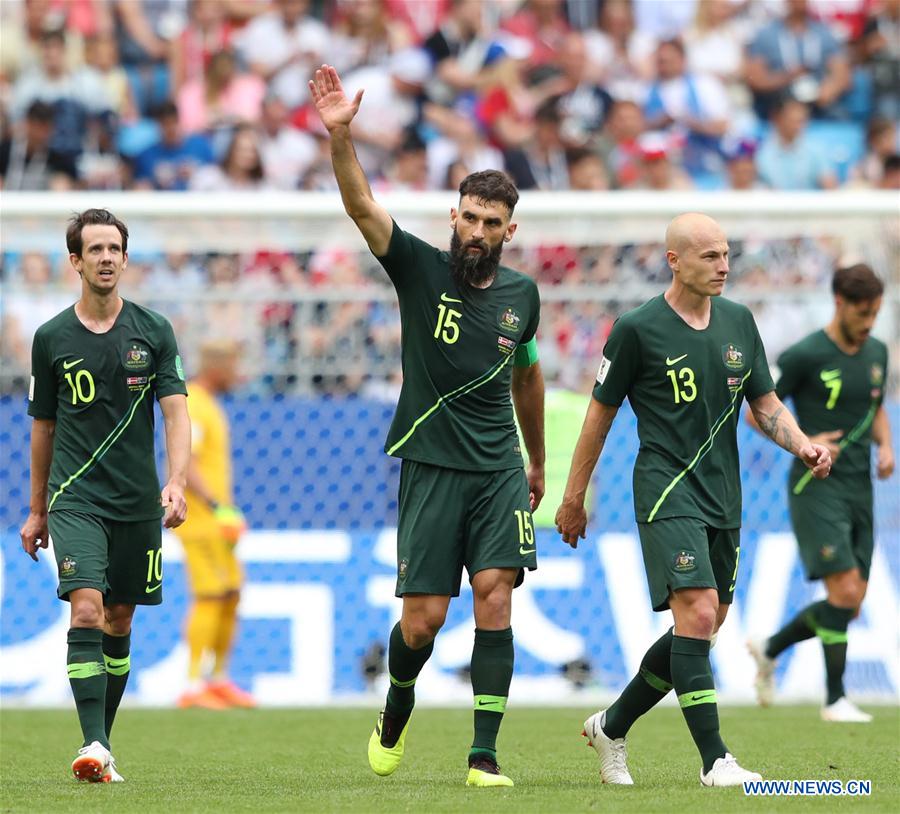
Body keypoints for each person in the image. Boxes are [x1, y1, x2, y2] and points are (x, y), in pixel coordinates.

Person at [310, 64, 545, 788]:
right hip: (432, 465)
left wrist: (537, 461)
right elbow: (362, 206)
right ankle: (396, 705)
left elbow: (527, 375)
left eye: (491, 223)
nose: (477, 231)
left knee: (496, 594)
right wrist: (341, 137)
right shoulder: (417, 267)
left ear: (509, 230)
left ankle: (484, 757)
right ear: (453, 216)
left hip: (499, 467)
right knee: (424, 622)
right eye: (469, 217)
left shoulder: (523, 296)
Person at [555, 213, 832, 788]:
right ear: (674, 261)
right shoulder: (637, 329)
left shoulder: (739, 321)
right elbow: (598, 416)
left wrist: (802, 444)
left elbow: (764, 404)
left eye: (726, 254)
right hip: (666, 489)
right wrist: (574, 496)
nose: (724, 266)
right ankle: (715, 761)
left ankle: (612, 725)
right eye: (710, 256)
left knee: (704, 625)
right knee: (700, 612)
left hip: (723, 495)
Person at [19, 208, 190, 782]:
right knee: (88, 607)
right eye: (95, 249)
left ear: (126, 257)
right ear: (76, 261)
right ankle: (91, 740)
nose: (107, 257)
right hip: (75, 498)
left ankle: (102, 745)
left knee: (119, 619)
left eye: (114, 248)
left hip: (137, 503)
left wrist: (177, 480)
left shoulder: (154, 331)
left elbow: (176, 413)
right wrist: (38, 508)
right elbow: (43, 427)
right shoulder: (51, 338)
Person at [747, 264, 892, 723]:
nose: (869, 322)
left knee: (851, 601)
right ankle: (835, 700)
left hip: (859, 486)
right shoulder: (805, 354)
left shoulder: (878, 352)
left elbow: (875, 406)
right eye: (862, 313)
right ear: (839, 303)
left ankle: (770, 648)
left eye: (875, 313)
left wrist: (887, 446)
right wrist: (807, 441)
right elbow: (757, 411)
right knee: (844, 590)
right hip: (816, 484)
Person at [174, 340, 254, 710]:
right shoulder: (193, 403)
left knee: (231, 593)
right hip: (201, 519)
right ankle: (192, 685)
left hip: (220, 521)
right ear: (216, 367)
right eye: (234, 366)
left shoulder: (210, 404)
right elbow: (185, 463)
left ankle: (218, 678)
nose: (240, 374)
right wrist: (218, 506)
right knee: (209, 595)